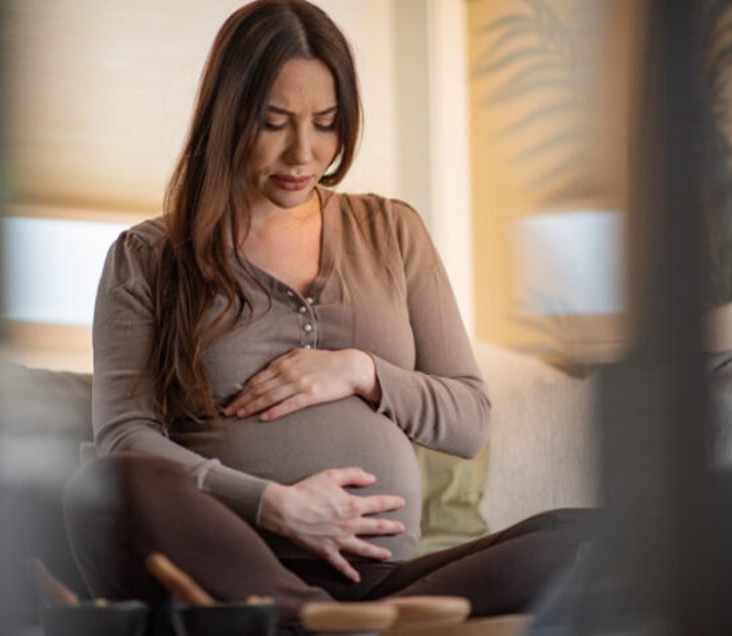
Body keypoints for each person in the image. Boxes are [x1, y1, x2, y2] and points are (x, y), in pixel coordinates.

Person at [63, 0, 590, 629]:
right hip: (228, 565)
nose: (303, 153)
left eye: (326, 122)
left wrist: (362, 371)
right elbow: (126, 437)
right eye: (275, 122)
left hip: (383, 580)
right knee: (110, 484)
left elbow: (469, 422)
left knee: (593, 535)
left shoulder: (392, 231)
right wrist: (273, 506)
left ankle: (335, 624)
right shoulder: (148, 256)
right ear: (228, 116)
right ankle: (317, 619)